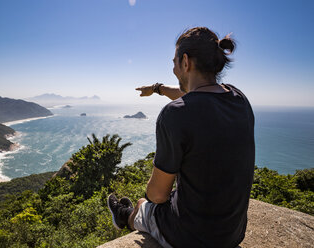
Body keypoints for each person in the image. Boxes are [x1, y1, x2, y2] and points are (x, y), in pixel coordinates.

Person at [107, 27, 255, 248]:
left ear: (185, 62)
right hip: (232, 234)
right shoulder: (239, 99)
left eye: (174, 62)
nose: (174, 68)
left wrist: (148, 198)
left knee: (144, 205)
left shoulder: (174, 114)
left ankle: (124, 215)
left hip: (192, 238)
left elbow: (157, 195)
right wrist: (157, 89)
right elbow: (197, 97)